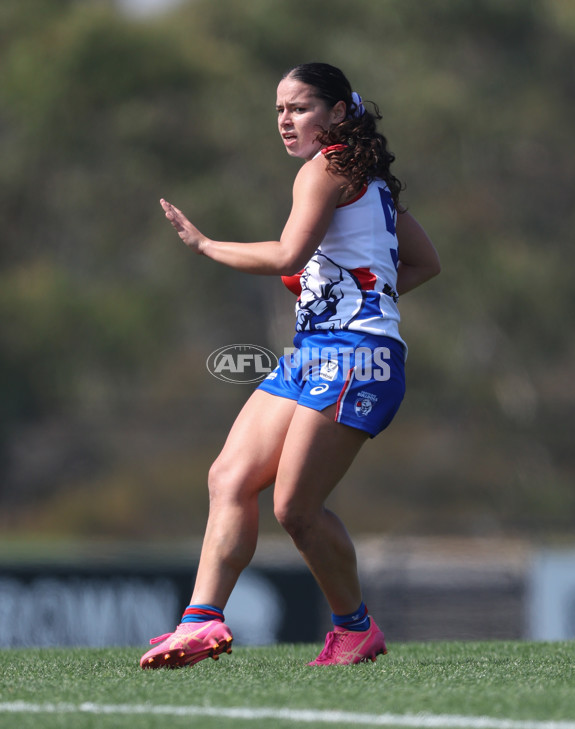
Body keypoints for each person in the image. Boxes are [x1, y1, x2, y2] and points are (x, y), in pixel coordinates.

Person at [140, 62, 440, 669]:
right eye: (278, 109)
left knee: (294, 509)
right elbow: (423, 263)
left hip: (359, 357)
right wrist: (342, 293)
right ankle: (201, 622)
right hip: (314, 351)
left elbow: (287, 253)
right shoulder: (365, 177)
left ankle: (355, 629)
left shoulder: (324, 168)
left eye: (299, 107)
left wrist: (206, 246)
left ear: (335, 113)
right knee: (229, 477)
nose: (284, 120)